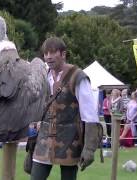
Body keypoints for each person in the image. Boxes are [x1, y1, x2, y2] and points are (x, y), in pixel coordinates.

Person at [31, 37, 102, 180]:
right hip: (45, 138)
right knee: (36, 177)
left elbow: (90, 115)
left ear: (63, 54)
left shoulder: (77, 77)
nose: (48, 57)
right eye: (45, 53)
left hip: (70, 139)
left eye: (52, 52)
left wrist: (89, 148)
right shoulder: (44, 76)